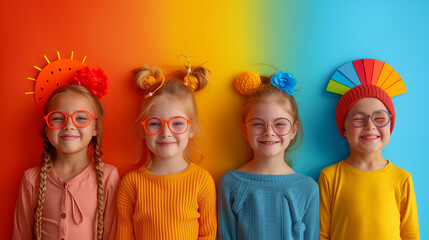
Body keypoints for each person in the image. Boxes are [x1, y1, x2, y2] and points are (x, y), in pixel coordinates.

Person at [13, 65, 119, 240]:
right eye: (57, 118)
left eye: (81, 118)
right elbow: (20, 234)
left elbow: (113, 234)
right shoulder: (31, 180)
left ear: (95, 128)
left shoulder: (109, 177)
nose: (69, 125)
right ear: (47, 129)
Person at [116, 56, 217, 240]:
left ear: (191, 129)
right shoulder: (131, 184)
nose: (166, 132)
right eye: (155, 123)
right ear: (143, 130)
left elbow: (208, 235)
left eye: (177, 123)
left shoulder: (202, 181)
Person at [218, 71, 319, 240]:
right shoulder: (230, 183)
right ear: (244, 130)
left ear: (293, 130)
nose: (269, 132)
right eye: (258, 124)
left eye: (279, 124)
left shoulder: (308, 188)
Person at [319, 83, 420, 239]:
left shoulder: (403, 178)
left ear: (390, 126)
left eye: (379, 118)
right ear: (344, 129)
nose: (370, 126)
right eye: (358, 119)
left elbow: (411, 234)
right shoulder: (329, 177)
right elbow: (322, 235)